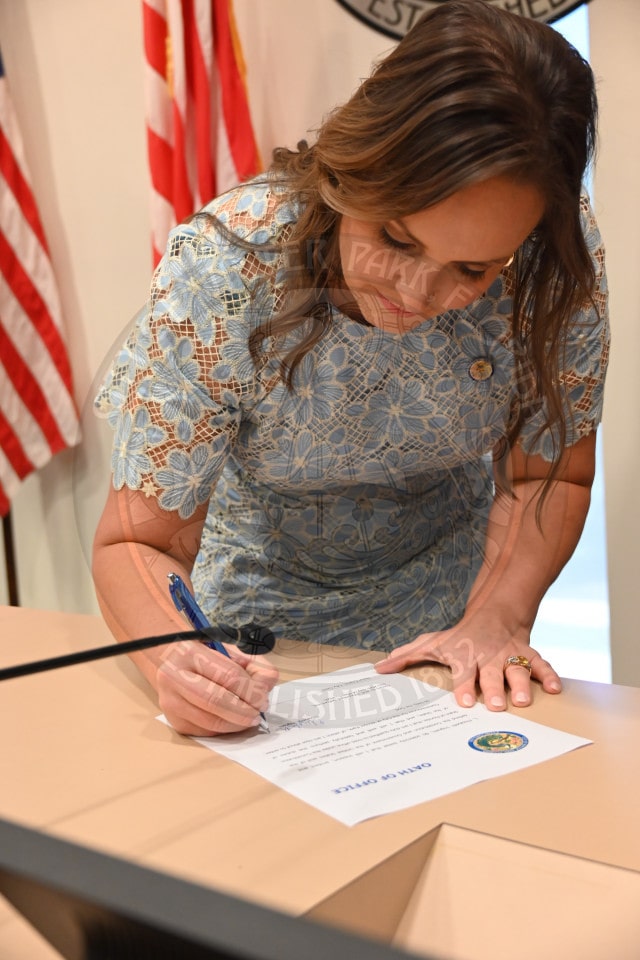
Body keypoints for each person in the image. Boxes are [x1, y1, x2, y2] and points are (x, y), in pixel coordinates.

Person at [92, 0, 609, 737]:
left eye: (471, 269)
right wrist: (177, 658)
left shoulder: (550, 264)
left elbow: (544, 477)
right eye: (395, 238)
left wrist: (496, 615)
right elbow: (136, 541)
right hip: (256, 627)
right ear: (350, 168)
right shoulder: (231, 266)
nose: (418, 294)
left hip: (454, 620)